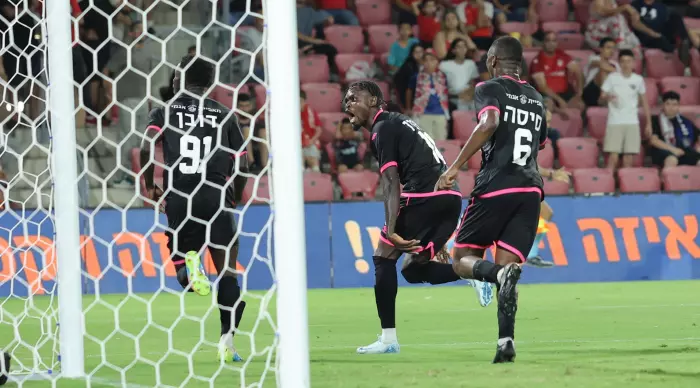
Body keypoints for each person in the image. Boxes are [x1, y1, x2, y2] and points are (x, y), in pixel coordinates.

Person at [435, 36, 546, 363]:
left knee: (460, 259)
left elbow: (491, 122)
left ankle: (495, 276)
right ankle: (505, 343)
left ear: (495, 60)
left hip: (497, 186)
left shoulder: (489, 87)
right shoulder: (537, 98)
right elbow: (539, 144)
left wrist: (455, 167)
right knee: (509, 269)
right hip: (530, 191)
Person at [140, 55, 249, 363]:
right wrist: (234, 195)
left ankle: (189, 264)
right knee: (228, 273)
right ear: (210, 83)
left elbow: (148, 145)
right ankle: (228, 340)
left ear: (178, 80)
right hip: (215, 198)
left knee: (186, 280)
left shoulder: (163, 110)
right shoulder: (226, 115)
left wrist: (150, 183)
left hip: (180, 198)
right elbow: (243, 164)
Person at [343, 80, 463, 355]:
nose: (348, 103)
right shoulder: (401, 122)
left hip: (424, 196)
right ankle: (476, 273)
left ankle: (388, 340)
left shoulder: (381, 128)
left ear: (373, 100)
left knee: (383, 257)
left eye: (354, 98)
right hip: (450, 199)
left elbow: (390, 181)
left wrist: (392, 229)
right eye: (346, 100)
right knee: (412, 269)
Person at [599, 49, 651, 170]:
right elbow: (601, 98)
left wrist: (648, 123)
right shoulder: (612, 78)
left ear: (634, 63)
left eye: (628, 61)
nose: (626, 64)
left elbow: (645, 103)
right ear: (619, 63)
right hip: (614, 122)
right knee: (613, 158)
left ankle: (626, 188)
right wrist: (607, 97)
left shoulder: (638, 79)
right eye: (623, 61)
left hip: (632, 122)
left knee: (628, 158)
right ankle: (608, 186)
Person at [648, 91, 700, 168]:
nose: (671, 107)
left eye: (674, 104)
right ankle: (666, 179)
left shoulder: (685, 121)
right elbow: (653, 140)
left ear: (678, 106)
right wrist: (673, 149)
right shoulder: (655, 120)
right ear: (663, 105)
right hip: (663, 150)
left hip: (683, 151)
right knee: (672, 159)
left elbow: (698, 135)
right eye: (668, 104)